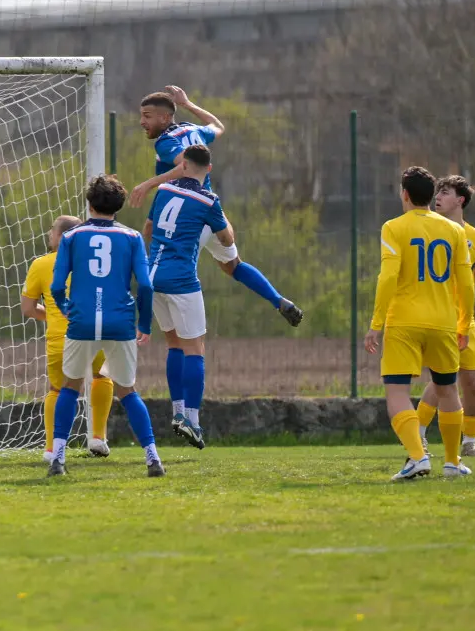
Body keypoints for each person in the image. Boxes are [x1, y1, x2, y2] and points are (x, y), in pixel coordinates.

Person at [129, 86, 303, 328]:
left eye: (147, 116)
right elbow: (218, 126)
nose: (142, 122)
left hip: (184, 216)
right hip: (210, 211)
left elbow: (186, 166)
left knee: (151, 245)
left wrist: (149, 184)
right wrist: (188, 104)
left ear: (165, 118)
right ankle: (278, 300)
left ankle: (132, 308)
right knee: (234, 266)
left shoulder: (166, 142)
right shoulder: (193, 130)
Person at [48, 175, 163, 478]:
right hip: (120, 323)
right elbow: (146, 286)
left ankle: (57, 459)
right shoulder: (133, 238)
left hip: (82, 321)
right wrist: (145, 323)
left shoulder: (71, 236)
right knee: (128, 392)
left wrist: (65, 307)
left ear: (89, 204)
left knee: (70, 388)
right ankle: (153, 458)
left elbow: (57, 285)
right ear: (119, 206)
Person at [364, 167, 475, 480]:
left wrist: (376, 324)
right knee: (448, 390)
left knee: (397, 391)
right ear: (431, 196)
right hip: (443, 322)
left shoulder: (393, 227)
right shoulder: (454, 230)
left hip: (404, 322)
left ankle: (417, 457)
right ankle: (452, 462)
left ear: (405, 194)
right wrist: (464, 323)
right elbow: (466, 283)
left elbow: (388, 277)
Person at [143, 144, 233, 449]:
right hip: (181, 280)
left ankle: (177, 411)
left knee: (173, 344)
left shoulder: (164, 190)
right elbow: (226, 239)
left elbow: (148, 229)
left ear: (183, 166)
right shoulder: (208, 200)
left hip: (152, 277)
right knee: (195, 349)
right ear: (209, 170)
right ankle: (192, 421)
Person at [417, 175, 475, 458]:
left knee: (472, 383)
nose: (437, 197)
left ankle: (469, 443)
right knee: (443, 380)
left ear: (460, 200)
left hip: (466, 321)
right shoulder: (429, 231)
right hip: (439, 318)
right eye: (437, 192)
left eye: (445, 192)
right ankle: (418, 436)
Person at [21, 215, 114, 461]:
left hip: (60, 338)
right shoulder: (95, 262)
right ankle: (98, 437)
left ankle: (52, 449)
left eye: (52, 229)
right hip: (95, 333)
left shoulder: (41, 264)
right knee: (101, 376)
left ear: (62, 236)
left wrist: (53, 316)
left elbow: (27, 309)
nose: (49, 233)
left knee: (57, 389)